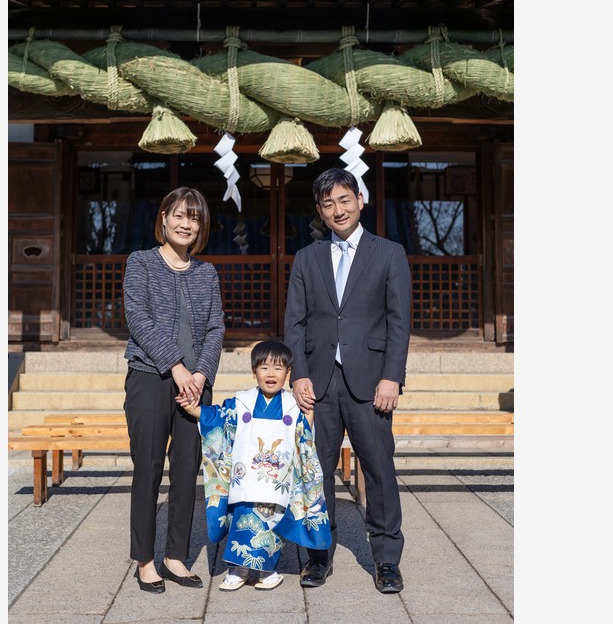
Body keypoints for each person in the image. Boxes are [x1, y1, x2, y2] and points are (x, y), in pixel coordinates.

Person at [284, 167, 411, 594]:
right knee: (315, 471)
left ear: (360, 200)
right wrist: (298, 374)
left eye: (344, 200)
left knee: (378, 470)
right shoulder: (307, 258)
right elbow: (294, 323)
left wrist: (392, 377)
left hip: (371, 381)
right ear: (319, 210)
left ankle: (387, 559)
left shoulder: (389, 253)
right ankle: (318, 555)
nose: (338, 209)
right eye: (328, 203)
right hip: (318, 384)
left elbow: (399, 322)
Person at [123, 187, 225, 593]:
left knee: (187, 471)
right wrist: (177, 367)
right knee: (147, 470)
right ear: (164, 217)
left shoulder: (206, 272)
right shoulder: (141, 263)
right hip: (150, 378)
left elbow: (216, 327)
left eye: (195, 219)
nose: (187, 224)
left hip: (196, 386)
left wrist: (201, 375)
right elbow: (138, 318)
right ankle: (145, 560)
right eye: (180, 216)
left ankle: (175, 556)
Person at [178, 339, 331, 592]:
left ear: (288, 374)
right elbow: (218, 417)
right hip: (246, 477)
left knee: (271, 523)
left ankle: (267, 569)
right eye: (264, 367)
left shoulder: (294, 405)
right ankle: (238, 569)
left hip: (278, 480)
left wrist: (309, 413)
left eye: (279, 368)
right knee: (244, 518)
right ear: (254, 372)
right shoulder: (243, 402)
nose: (271, 374)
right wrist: (194, 410)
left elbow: (305, 437)